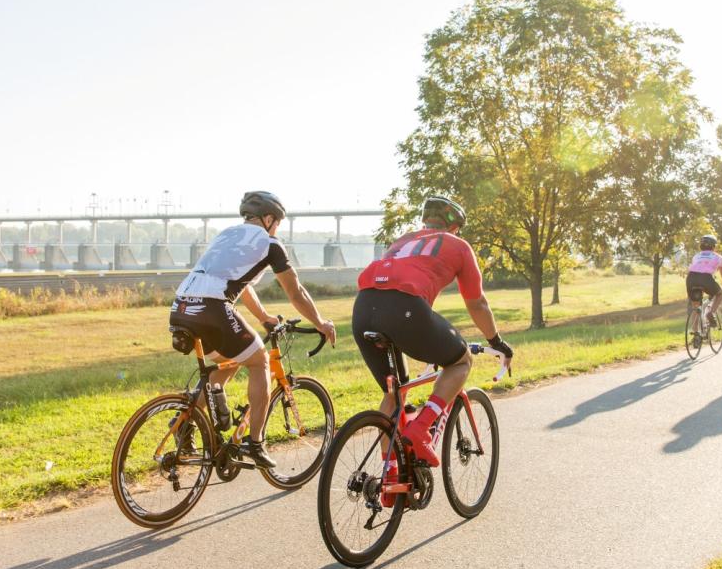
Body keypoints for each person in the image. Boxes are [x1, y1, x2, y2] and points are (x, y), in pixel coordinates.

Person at [352, 196, 512, 498]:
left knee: (394, 391)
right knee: (461, 360)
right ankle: (421, 428)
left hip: (362, 308)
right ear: (454, 226)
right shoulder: (458, 246)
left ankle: (391, 478)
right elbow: (476, 302)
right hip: (405, 308)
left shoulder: (402, 240)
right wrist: (495, 340)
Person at [170, 191, 337, 469]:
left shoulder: (227, 236)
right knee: (259, 361)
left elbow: (242, 284)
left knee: (231, 360)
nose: (278, 228)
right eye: (278, 222)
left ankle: (183, 424)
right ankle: (255, 442)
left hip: (181, 306)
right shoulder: (270, 244)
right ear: (269, 219)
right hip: (212, 307)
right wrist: (320, 322)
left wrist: (263, 318)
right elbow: (296, 292)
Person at [686, 235, 722, 347]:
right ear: (714, 246)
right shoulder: (718, 257)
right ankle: (711, 313)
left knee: (696, 307)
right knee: (719, 294)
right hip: (706, 279)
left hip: (691, 278)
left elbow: (694, 269)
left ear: (701, 246)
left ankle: (696, 334)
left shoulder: (696, 256)